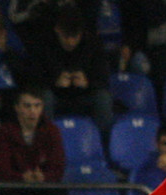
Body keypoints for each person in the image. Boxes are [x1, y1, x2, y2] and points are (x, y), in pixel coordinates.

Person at [30, 5, 113, 140]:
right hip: (57, 98)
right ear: (57, 30)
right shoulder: (44, 45)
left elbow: (103, 78)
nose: (70, 41)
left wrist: (87, 83)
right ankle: (46, 141)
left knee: (103, 98)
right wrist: (55, 82)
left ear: (81, 33)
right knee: (45, 98)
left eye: (75, 37)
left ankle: (105, 143)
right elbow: (34, 79)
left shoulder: (93, 44)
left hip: (84, 96)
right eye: (66, 36)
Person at [0, 85, 71, 195]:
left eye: (37, 106)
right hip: (14, 186)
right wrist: (22, 177)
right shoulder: (4, 132)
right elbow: (0, 169)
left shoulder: (52, 131)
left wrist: (43, 177)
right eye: (27, 106)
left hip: (43, 186)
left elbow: (58, 167)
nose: (32, 111)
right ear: (17, 108)